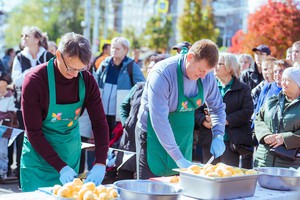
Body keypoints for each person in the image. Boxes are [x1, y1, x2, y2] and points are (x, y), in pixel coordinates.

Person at [20, 32, 109, 192]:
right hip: (38, 160)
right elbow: (33, 131)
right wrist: (60, 167)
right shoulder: (35, 81)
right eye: (70, 68)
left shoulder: (87, 80)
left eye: (80, 69)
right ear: (58, 55)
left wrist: (101, 162)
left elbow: (100, 123)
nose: (74, 74)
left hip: (69, 155)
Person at [136, 39, 226, 179]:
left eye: (207, 72)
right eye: (201, 70)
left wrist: (218, 134)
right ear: (190, 57)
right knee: (150, 188)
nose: (203, 76)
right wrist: (178, 158)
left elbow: (217, 108)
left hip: (183, 137)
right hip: (152, 136)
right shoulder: (162, 73)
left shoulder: (207, 77)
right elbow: (159, 120)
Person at [11, 26, 54, 184]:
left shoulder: (49, 56)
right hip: (24, 105)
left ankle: (44, 172)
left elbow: (53, 80)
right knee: (25, 138)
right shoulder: (19, 57)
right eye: (22, 36)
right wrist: (37, 72)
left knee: (45, 137)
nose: (24, 38)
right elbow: (17, 81)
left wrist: (30, 75)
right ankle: (24, 173)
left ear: (37, 39)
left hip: (47, 106)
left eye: (27, 35)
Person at [115, 54, 168, 180]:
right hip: (129, 142)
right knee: (123, 177)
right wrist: (126, 123)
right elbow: (123, 106)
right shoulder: (138, 87)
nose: (150, 71)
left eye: (153, 68)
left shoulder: (166, 92)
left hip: (149, 144)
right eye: (148, 68)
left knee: (144, 180)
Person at [95, 37, 145, 140]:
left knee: (116, 145)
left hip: (119, 116)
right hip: (102, 114)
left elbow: (141, 86)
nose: (113, 50)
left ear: (126, 50)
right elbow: (95, 83)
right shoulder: (105, 64)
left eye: (117, 48)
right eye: (113, 48)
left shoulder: (132, 66)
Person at [212, 53, 254, 168]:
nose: (215, 66)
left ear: (230, 67)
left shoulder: (243, 88)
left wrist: (227, 120)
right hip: (210, 140)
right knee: (209, 176)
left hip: (230, 141)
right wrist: (204, 120)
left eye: (220, 64)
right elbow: (199, 108)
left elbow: (247, 111)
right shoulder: (210, 86)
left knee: (227, 178)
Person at [254, 67, 300, 168]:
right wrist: (265, 135)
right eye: (282, 79)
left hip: (291, 165)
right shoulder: (272, 101)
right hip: (264, 160)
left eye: (287, 80)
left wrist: (285, 138)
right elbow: (258, 119)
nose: (283, 83)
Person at [0, 72, 16, 180]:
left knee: (2, 152)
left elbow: (11, 114)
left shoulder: (11, 97)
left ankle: (3, 172)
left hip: (4, 129)